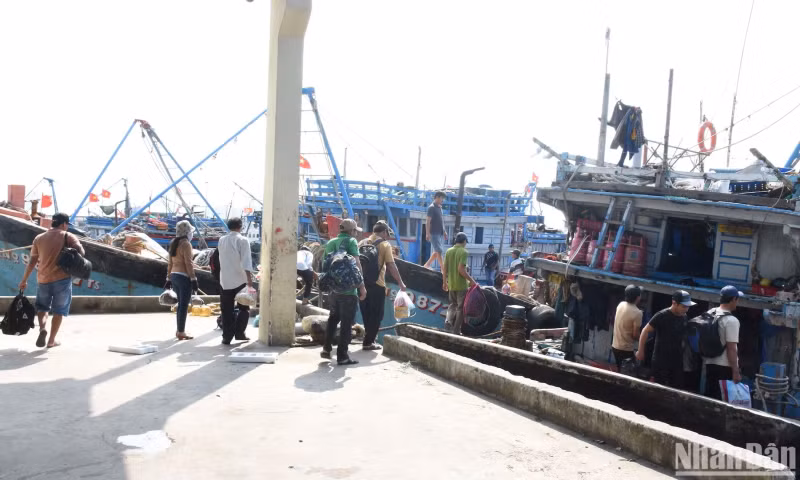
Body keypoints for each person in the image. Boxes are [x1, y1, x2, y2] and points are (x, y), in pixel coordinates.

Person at [18, 212, 84, 348]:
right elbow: (80, 251)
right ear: (64, 224)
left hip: (43, 279)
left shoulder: (39, 238)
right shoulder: (68, 236)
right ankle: (51, 341)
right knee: (59, 311)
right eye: (67, 224)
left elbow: (32, 262)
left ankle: (43, 328)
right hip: (62, 279)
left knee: (42, 308)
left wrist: (24, 280)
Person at [321, 218, 367, 365]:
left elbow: (325, 265)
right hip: (348, 291)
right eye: (355, 231)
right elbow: (357, 264)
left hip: (333, 290)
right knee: (347, 324)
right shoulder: (351, 242)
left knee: (333, 319)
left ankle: (326, 348)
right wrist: (361, 286)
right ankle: (342, 356)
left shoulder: (330, 243)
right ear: (351, 231)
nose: (356, 234)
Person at [358, 221, 407, 351]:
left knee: (366, 312)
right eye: (387, 234)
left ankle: (369, 339)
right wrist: (400, 282)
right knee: (377, 314)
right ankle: (368, 342)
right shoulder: (385, 245)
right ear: (384, 232)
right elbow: (391, 265)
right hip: (377, 284)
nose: (387, 237)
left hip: (361, 284)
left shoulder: (362, 242)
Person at [636, 290, 694, 389]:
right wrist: (640, 351)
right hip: (660, 360)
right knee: (659, 388)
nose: (686, 309)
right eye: (684, 306)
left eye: (688, 306)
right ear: (674, 303)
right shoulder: (662, 315)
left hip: (676, 361)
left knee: (676, 388)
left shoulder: (684, 317)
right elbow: (645, 331)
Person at [217, 217, 255, 345]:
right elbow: (246, 261)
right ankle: (240, 333)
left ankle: (226, 337)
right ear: (240, 226)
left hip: (225, 280)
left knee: (226, 309)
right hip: (240, 279)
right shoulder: (243, 240)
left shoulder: (222, 240)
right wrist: (249, 280)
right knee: (244, 308)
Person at [703, 286, 743, 400]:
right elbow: (731, 348)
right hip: (724, 367)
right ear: (733, 299)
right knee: (721, 400)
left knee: (709, 397)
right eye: (737, 299)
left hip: (709, 362)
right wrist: (736, 371)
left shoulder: (710, 312)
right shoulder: (732, 321)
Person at [165, 220, 197, 340]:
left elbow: (170, 263)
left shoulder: (174, 242)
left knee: (180, 305)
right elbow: (188, 263)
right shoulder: (186, 244)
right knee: (184, 305)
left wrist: (168, 278)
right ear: (187, 232)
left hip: (174, 275)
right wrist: (193, 279)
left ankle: (179, 330)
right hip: (183, 277)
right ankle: (181, 332)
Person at [442, 232, 476, 335]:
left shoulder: (449, 251)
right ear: (464, 241)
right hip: (461, 285)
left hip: (451, 284)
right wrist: (471, 280)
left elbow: (444, 269)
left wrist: (444, 282)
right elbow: (461, 270)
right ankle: (456, 331)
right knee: (460, 309)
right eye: (466, 242)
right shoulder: (464, 252)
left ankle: (448, 321)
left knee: (452, 305)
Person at [611, 285, 642, 372]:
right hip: (626, 349)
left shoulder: (621, 304)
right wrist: (643, 339)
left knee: (620, 370)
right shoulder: (638, 313)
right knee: (629, 373)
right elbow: (635, 335)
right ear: (638, 298)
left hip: (615, 346)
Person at [423, 191, 448, 270]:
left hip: (440, 233)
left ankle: (427, 264)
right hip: (433, 233)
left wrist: (444, 231)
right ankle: (443, 270)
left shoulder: (440, 208)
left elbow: (441, 221)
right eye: (441, 198)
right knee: (439, 251)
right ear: (437, 197)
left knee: (437, 251)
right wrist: (427, 233)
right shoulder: (431, 208)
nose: (442, 200)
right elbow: (428, 221)